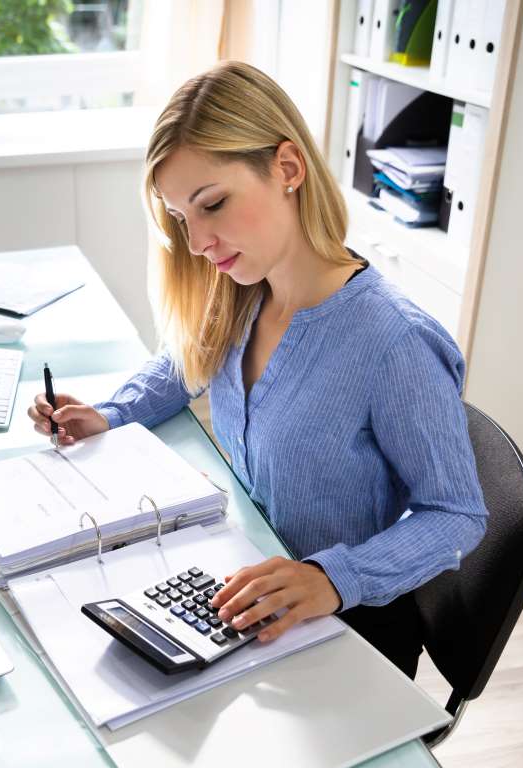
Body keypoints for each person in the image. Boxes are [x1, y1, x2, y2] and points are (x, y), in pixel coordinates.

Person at [26, 61, 487, 678]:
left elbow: (457, 514)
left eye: (212, 204)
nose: (197, 243)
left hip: (343, 628)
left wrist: (330, 577)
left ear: (288, 169)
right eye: (182, 218)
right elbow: (182, 365)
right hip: (244, 594)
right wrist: (108, 415)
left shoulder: (393, 344)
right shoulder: (246, 292)